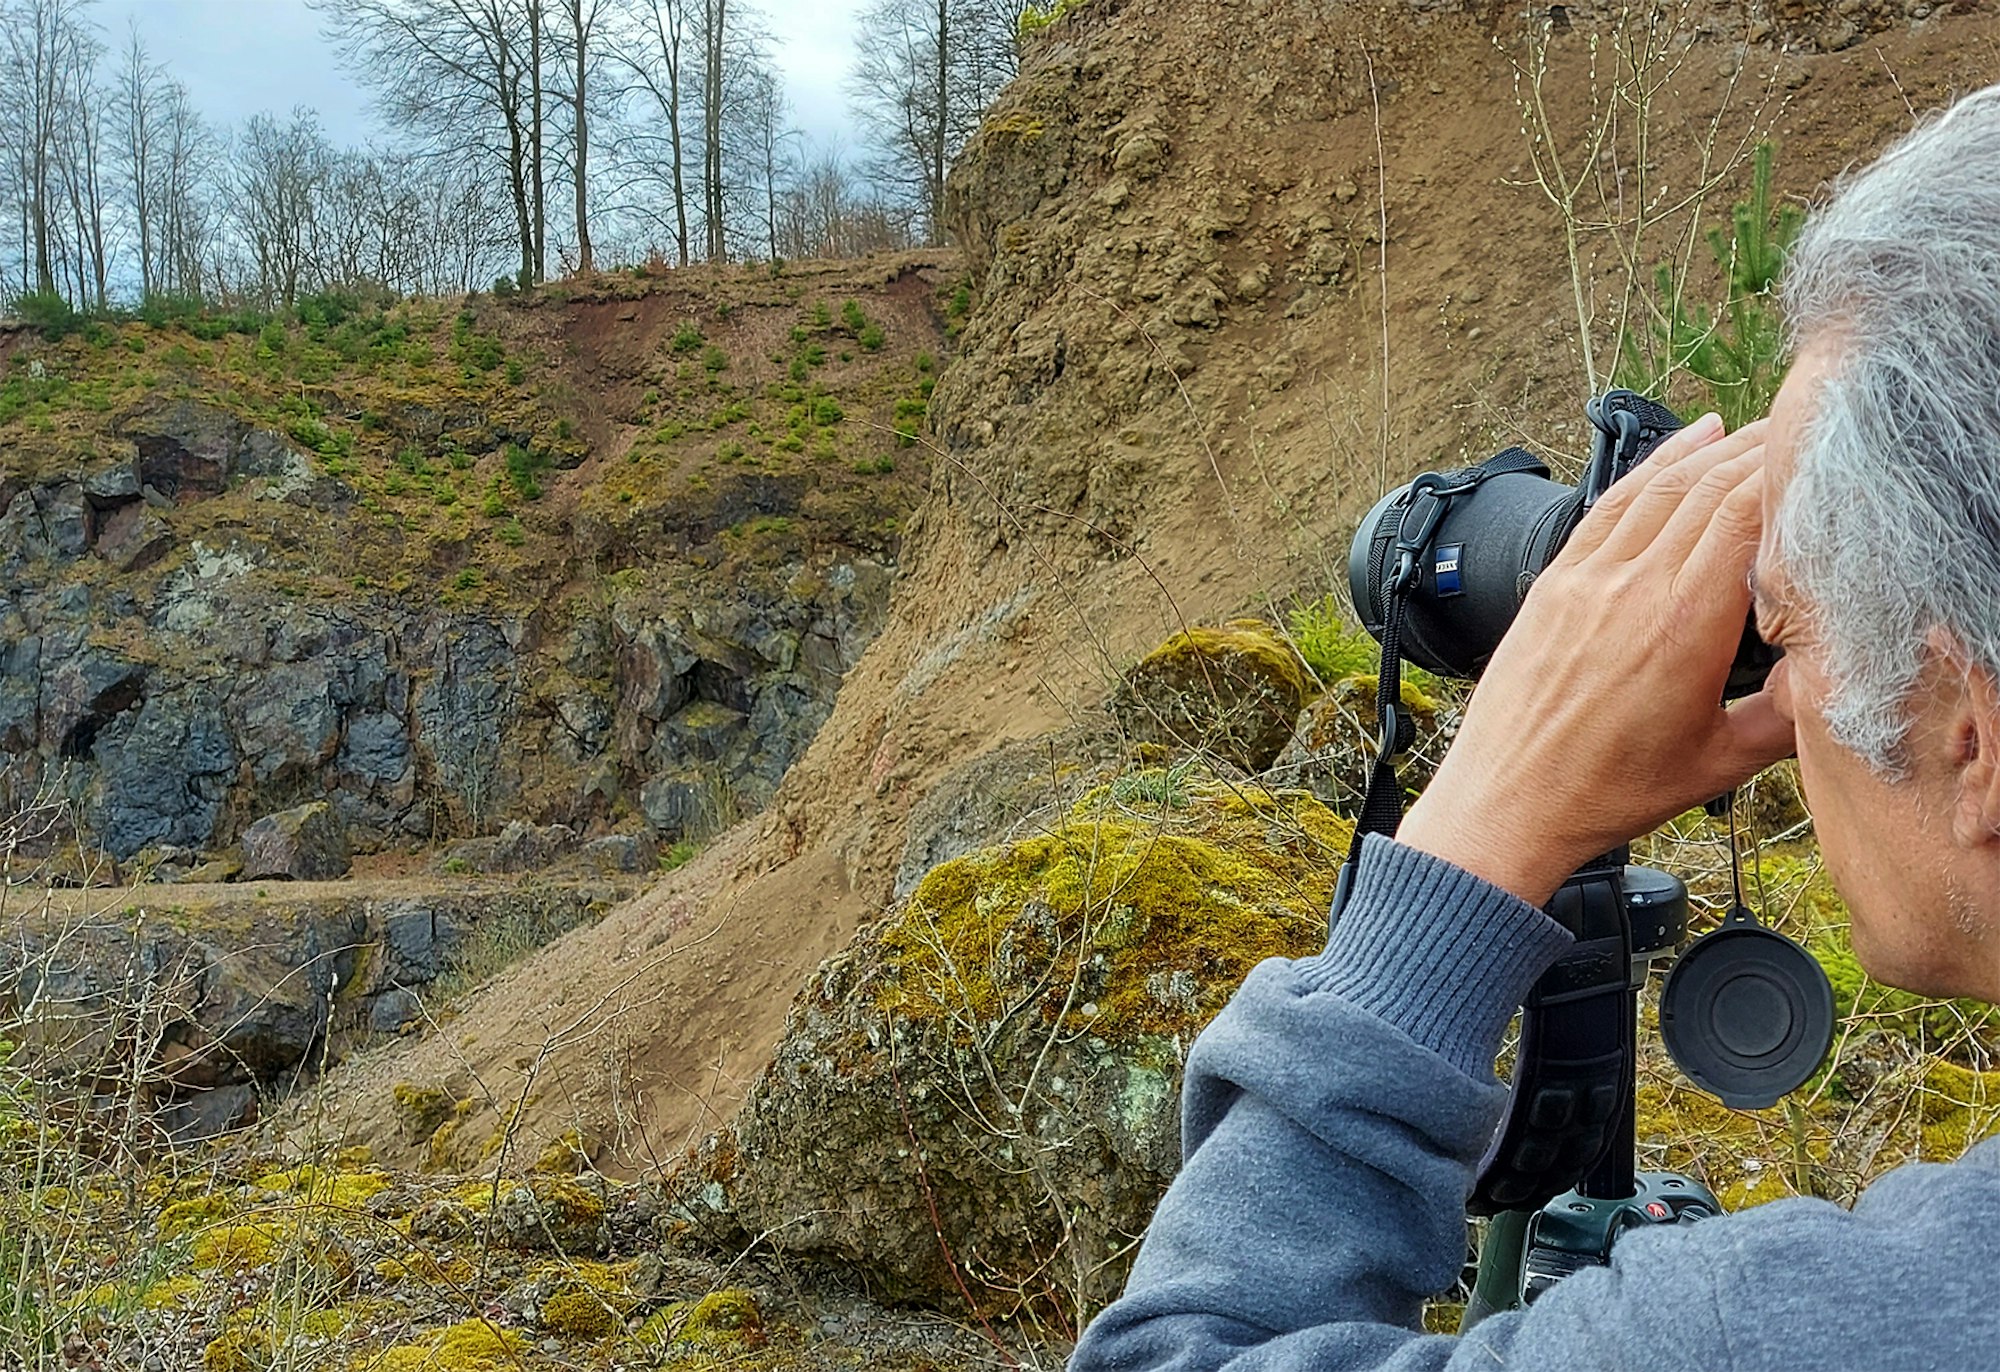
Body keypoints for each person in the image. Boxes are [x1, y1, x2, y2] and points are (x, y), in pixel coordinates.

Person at [1068, 86, 2000, 1371]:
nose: (1777, 699)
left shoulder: (1776, 1330)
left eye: (1779, 629)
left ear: (1969, 730)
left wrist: (1479, 821)